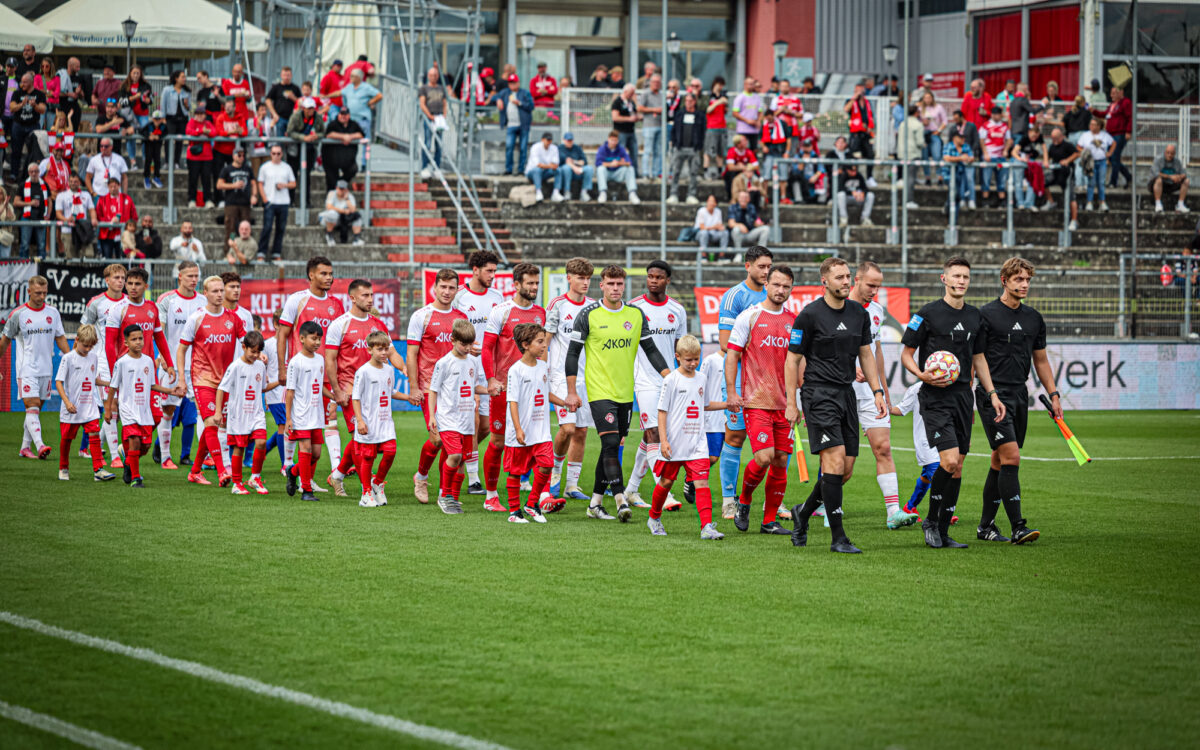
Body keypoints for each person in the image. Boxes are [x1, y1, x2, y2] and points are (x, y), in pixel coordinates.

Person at [900, 256, 1007, 549]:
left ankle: (944, 531)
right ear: (943, 279)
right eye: (956, 276)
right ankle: (931, 522)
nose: (961, 281)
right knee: (947, 461)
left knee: (957, 467)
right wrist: (922, 374)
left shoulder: (976, 317)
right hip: (934, 398)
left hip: (963, 397)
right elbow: (906, 353)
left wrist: (992, 394)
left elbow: (979, 358)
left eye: (966, 277)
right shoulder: (927, 314)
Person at [784, 258, 887, 553]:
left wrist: (877, 390)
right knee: (834, 460)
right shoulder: (809, 315)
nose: (846, 281)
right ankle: (838, 538)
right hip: (818, 395)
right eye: (840, 277)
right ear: (825, 282)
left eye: (848, 276)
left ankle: (802, 513)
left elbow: (866, 354)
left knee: (845, 470)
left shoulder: (859, 313)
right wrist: (792, 402)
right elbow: (792, 360)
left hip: (847, 394)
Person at [564, 264, 671, 521]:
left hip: (626, 393)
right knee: (611, 443)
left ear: (625, 285)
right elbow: (572, 354)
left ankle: (595, 504)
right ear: (601, 285)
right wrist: (571, 391)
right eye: (610, 283)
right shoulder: (588, 315)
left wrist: (670, 376)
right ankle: (621, 499)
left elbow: (651, 350)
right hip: (599, 391)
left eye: (619, 284)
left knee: (610, 445)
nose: (615, 288)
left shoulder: (635, 315)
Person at [975, 257, 1061, 544]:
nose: (1024, 285)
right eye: (1018, 280)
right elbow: (976, 359)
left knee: (1000, 460)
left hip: (1019, 394)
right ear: (1004, 281)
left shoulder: (1034, 318)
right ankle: (1018, 527)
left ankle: (985, 527)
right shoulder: (985, 315)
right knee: (1011, 456)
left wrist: (1054, 394)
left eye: (1027, 280)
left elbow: (1042, 361)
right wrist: (988, 394)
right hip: (992, 395)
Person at [724, 263, 799, 536]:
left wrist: (796, 400)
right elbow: (732, 355)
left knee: (780, 460)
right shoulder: (750, 316)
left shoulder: (793, 320)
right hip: (756, 401)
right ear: (765, 284)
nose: (780, 290)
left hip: (784, 404)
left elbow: (797, 361)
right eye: (776, 284)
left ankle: (769, 521)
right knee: (764, 457)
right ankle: (743, 501)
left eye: (786, 286)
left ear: (791, 289)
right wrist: (732, 392)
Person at [321, 279, 408, 498]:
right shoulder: (339, 325)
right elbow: (330, 360)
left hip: (375, 391)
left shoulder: (377, 324)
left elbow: (392, 353)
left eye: (371, 295)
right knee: (363, 439)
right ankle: (367, 488)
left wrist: (403, 367)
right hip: (351, 390)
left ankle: (338, 475)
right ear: (352, 297)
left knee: (363, 441)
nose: (370, 299)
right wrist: (337, 391)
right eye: (365, 295)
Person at [848, 262, 918, 529]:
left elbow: (875, 353)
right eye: (870, 285)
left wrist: (883, 392)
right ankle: (822, 505)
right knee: (842, 462)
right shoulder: (834, 307)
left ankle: (893, 512)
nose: (875, 291)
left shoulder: (876, 312)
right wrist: (847, 368)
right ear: (856, 280)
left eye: (878, 286)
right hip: (839, 389)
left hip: (869, 392)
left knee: (884, 448)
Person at [622, 261, 688, 508]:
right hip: (643, 379)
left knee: (654, 435)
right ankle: (664, 492)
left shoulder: (677, 310)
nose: (653, 281)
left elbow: (679, 347)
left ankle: (631, 490)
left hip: (668, 378)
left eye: (658, 277)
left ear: (667, 280)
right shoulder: (634, 308)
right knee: (654, 433)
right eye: (650, 276)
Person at [480, 264, 545, 508]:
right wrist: (490, 379)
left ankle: (538, 496)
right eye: (529, 283)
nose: (534, 287)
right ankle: (490, 496)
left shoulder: (540, 313)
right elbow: (487, 348)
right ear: (516, 285)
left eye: (536, 283)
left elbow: (543, 350)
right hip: (504, 388)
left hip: (532, 390)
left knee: (535, 441)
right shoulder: (502, 311)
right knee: (497, 443)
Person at [715, 246, 773, 518]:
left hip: (769, 382)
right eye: (761, 266)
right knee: (735, 436)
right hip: (741, 379)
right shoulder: (734, 296)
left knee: (772, 445)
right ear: (747, 266)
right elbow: (726, 344)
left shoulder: (774, 292)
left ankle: (773, 501)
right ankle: (729, 499)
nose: (766, 272)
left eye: (768, 267)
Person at [405, 268, 469, 503]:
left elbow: (466, 352)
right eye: (443, 287)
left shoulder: (461, 317)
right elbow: (411, 354)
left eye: (451, 287)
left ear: (456, 290)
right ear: (434, 287)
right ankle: (421, 476)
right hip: (430, 387)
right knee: (437, 439)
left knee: (452, 442)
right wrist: (414, 387)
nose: (447, 291)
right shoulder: (421, 316)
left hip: (456, 390)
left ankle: (445, 492)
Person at [175, 275, 244, 485]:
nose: (219, 294)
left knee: (214, 424)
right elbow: (181, 349)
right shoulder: (196, 319)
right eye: (214, 291)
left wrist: (259, 353)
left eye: (221, 290)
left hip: (225, 382)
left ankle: (195, 471)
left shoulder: (233, 318)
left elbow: (247, 342)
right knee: (212, 423)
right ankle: (223, 471)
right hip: (202, 379)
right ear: (205, 293)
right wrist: (181, 378)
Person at [452, 251, 504, 496]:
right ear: (474, 270)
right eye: (488, 271)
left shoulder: (497, 297)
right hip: (465, 366)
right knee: (471, 421)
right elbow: (449, 328)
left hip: (489, 368)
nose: (493, 276)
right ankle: (473, 478)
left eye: (495, 271)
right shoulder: (459, 297)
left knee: (485, 427)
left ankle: (460, 458)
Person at [0, 275, 68, 459]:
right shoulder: (18, 314)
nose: (42, 296)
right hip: (26, 367)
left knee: (36, 409)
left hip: (46, 368)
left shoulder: (53, 313)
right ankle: (40, 446)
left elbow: (60, 337)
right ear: (29, 291)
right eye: (38, 293)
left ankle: (24, 447)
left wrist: (70, 358)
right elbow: (5, 340)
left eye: (45, 293)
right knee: (32, 405)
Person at [500, 323, 563, 524]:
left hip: (541, 430)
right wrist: (518, 428)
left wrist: (564, 403)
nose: (545, 345)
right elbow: (513, 401)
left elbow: (545, 393)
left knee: (547, 464)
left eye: (544, 341)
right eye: (540, 342)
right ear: (526, 344)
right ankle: (514, 511)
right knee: (516, 472)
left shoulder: (543, 367)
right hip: (522, 431)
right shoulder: (516, 370)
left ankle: (532, 503)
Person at [544, 258, 595, 502]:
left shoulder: (595, 307)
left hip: (588, 378)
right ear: (568, 278)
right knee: (568, 428)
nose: (585, 282)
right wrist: (541, 371)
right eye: (580, 277)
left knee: (582, 432)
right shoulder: (557, 305)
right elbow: (545, 340)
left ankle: (571, 486)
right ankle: (554, 475)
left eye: (588, 278)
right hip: (560, 377)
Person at [105, 326, 181, 488]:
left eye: (140, 338)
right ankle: (136, 478)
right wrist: (108, 408)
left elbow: (152, 385)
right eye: (134, 339)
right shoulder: (122, 363)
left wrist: (170, 391)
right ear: (126, 342)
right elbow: (113, 386)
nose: (138, 342)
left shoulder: (148, 361)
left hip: (144, 410)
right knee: (134, 441)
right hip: (128, 410)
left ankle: (128, 462)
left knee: (144, 446)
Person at [427, 319, 488, 512]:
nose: (468, 348)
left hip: (467, 419)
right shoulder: (444, 363)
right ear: (453, 339)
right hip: (448, 418)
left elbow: (473, 387)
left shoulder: (472, 361)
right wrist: (432, 416)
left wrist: (489, 391)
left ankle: (453, 497)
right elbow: (433, 390)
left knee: (462, 460)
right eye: (464, 344)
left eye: (471, 344)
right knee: (454, 455)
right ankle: (444, 496)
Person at [154, 261, 204, 469]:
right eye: (190, 276)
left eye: (196, 276)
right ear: (179, 276)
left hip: (198, 367)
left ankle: (206, 457)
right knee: (168, 409)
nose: (194, 280)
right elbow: (160, 332)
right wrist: (164, 359)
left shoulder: (203, 301)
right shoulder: (167, 300)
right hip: (172, 365)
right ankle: (165, 456)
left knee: (204, 411)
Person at [214, 330, 272, 496]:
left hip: (256, 413)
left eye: (258, 352)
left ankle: (255, 477)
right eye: (252, 351)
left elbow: (262, 388)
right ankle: (237, 483)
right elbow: (221, 389)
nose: (255, 355)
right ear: (243, 347)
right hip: (238, 414)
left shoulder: (260, 365)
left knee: (261, 442)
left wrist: (275, 387)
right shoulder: (235, 367)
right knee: (239, 448)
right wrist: (218, 412)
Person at [55, 325, 116, 481]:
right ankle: (63, 468)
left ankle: (98, 470)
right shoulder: (67, 358)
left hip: (89, 405)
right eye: (85, 345)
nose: (88, 349)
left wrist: (108, 383)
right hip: (72, 407)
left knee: (94, 434)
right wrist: (67, 402)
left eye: (91, 346)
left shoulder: (93, 357)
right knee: (67, 439)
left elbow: (92, 378)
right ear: (77, 340)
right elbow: (58, 382)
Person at [348, 330, 401, 507]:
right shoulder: (363, 372)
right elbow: (355, 397)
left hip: (385, 422)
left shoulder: (389, 369)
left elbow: (391, 391)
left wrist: (408, 397)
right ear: (370, 350)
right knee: (368, 458)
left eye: (386, 349)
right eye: (380, 349)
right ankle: (365, 494)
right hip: (368, 422)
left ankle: (377, 483)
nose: (384, 353)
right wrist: (360, 420)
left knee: (391, 451)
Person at [80, 264, 125, 464]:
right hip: (104, 361)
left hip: (126, 359)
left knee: (123, 407)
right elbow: (85, 330)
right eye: (116, 277)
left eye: (123, 277)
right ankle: (115, 455)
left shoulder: (129, 303)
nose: (121, 281)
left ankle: (94, 443)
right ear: (107, 280)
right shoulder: (96, 303)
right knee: (111, 404)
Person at [284, 320, 328, 502]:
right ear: (302, 338)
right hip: (300, 414)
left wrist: (334, 397)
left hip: (316, 414)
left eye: (319, 339)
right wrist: (288, 418)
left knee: (316, 453)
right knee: (306, 449)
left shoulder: (320, 360)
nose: (317, 343)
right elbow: (290, 391)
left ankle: (292, 471)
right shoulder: (296, 362)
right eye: (313, 338)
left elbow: (319, 386)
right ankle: (307, 490)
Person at [257, 144, 296, 261]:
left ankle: (276, 253)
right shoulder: (265, 167)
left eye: (278, 153)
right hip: (270, 202)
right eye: (274, 153)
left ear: (282, 154)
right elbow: (260, 183)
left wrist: (283, 185)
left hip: (283, 202)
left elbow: (293, 183)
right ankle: (261, 252)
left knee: (280, 228)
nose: (276, 156)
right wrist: (264, 199)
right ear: (270, 154)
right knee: (267, 227)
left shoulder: (287, 167)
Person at [668, 92, 705, 204]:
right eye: (687, 101)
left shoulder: (700, 116)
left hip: (693, 148)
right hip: (680, 147)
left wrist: (699, 145)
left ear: (694, 102)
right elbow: (674, 130)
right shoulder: (679, 114)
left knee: (693, 173)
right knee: (676, 172)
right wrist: (674, 143)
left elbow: (703, 132)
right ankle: (673, 194)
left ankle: (691, 194)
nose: (688, 103)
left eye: (691, 101)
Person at [285, 97, 323, 207]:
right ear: (303, 108)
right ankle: (290, 200)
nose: (310, 111)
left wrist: (316, 136)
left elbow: (323, 132)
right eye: (308, 108)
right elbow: (290, 132)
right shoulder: (296, 117)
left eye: (312, 108)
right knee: (292, 175)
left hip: (309, 150)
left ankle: (306, 201)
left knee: (306, 176)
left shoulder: (317, 117)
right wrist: (303, 137)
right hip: (295, 149)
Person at [9, 73, 46, 182]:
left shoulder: (39, 94)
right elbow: (12, 108)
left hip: (33, 126)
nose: (22, 84)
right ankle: (13, 174)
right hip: (18, 125)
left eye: (25, 82)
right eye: (21, 82)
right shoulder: (17, 93)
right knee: (16, 150)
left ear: (31, 82)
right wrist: (21, 104)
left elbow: (43, 109)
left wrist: (34, 105)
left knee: (33, 153)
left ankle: (28, 176)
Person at [495, 74, 533, 176]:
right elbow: (495, 96)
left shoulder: (524, 93)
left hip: (523, 125)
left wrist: (519, 103)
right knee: (509, 146)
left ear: (518, 83)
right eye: (510, 83)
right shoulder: (505, 92)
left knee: (523, 148)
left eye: (514, 83)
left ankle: (521, 170)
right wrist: (498, 100)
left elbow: (531, 106)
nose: (512, 85)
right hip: (511, 125)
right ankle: (509, 169)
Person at [1043, 127, 1080, 231]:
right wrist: (1046, 161)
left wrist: (1067, 160)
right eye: (1052, 138)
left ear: (1061, 137)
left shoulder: (1067, 145)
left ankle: (1074, 220)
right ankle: (1050, 202)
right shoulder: (1052, 146)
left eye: (1056, 138)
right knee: (1043, 181)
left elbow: (1077, 153)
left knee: (1071, 197)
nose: (1054, 140)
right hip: (1056, 172)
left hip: (1067, 174)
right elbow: (1048, 156)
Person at [216, 146, 257, 239]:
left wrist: (254, 195)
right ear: (234, 156)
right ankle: (229, 251)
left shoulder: (247, 169)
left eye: (243, 155)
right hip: (231, 203)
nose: (242, 157)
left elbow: (254, 183)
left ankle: (245, 251)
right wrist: (233, 185)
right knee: (231, 229)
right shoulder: (227, 169)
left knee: (246, 228)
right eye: (239, 155)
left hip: (245, 203)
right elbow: (219, 185)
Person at [1097, 86, 1132, 189]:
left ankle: (1113, 182)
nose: (1111, 95)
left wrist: (1128, 131)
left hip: (1119, 134)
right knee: (1112, 158)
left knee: (1115, 157)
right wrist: (1093, 111)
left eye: (1114, 93)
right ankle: (1128, 176)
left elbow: (1130, 117)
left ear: (1120, 93)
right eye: (1111, 93)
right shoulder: (1112, 105)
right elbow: (1105, 114)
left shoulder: (1125, 102)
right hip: (1110, 134)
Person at [117, 66, 153, 167]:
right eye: (134, 73)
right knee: (130, 136)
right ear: (130, 74)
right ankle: (133, 161)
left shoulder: (146, 85)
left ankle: (146, 160)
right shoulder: (124, 86)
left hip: (143, 114)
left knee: (145, 136)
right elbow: (121, 102)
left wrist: (148, 100)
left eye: (138, 73)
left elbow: (152, 99)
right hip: (129, 115)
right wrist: (133, 97)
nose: (136, 75)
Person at [1077, 117, 1115, 212]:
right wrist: (1085, 152)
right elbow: (1078, 146)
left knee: (1101, 183)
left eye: (1094, 124)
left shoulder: (1105, 135)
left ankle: (1102, 202)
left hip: (1101, 161)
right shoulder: (1085, 135)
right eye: (1091, 124)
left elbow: (1114, 143)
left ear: (1099, 126)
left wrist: (1109, 153)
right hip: (1091, 162)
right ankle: (1089, 202)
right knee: (1091, 182)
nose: (1091, 126)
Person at [322, 107, 366, 189]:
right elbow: (329, 134)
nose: (343, 116)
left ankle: (340, 184)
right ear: (338, 115)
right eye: (341, 114)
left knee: (353, 170)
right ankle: (331, 198)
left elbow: (361, 134)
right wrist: (343, 137)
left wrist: (350, 137)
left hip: (348, 162)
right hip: (331, 161)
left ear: (349, 115)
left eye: (345, 114)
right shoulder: (333, 124)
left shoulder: (353, 124)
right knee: (331, 183)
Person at [843, 81, 876, 184]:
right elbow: (846, 109)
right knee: (853, 155)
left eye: (861, 90)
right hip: (855, 133)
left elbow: (870, 116)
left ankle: (869, 177)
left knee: (870, 154)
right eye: (857, 90)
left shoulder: (867, 102)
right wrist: (854, 97)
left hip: (866, 133)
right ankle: (853, 175)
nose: (859, 92)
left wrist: (871, 127)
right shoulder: (851, 101)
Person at [212, 99, 246, 200]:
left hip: (234, 152)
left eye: (230, 106)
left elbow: (244, 132)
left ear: (235, 108)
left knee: (234, 175)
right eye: (226, 106)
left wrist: (238, 131)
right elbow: (219, 132)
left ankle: (232, 198)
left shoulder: (240, 117)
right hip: (220, 150)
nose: (227, 108)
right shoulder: (221, 117)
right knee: (218, 175)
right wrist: (234, 131)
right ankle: (218, 199)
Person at [94, 177, 136, 259]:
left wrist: (128, 226)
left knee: (123, 261)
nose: (113, 188)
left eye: (115, 186)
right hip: (106, 235)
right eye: (111, 186)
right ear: (108, 187)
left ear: (119, 186)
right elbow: (98, 216)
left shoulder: (127, 199)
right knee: (107, 260)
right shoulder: (102, 200)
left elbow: (134, 216)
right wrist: (110, 221)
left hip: (123, 235)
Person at [979, 105, 1012, 208]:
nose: (997, 116)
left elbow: (1009, 140)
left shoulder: (1004, 127)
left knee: (1001, 179)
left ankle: (1002, 200)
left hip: (1000, 157)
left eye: (999, 114)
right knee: (986, 179)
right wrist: (985, 153)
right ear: (992, 115)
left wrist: (1006, 150)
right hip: (989, 156)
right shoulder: (986, 125)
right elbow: (981, 140)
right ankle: (985, 200)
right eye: (995, 114)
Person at [14, 162, 48, 259]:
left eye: (36, 171)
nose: (34, 173)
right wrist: (30, 203)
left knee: (41, 245)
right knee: (24, 244)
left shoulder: (44, 184)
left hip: (41, 217)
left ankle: (42, 267)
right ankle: (22, 266)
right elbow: (16, 202)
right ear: (28, 173)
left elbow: (49, 200)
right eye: (32, 171)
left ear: (39, 172)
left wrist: (48, 214)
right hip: (27, 217)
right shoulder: (23, 185)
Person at [595, 130, 640, 203]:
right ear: (608, 139)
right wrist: (610, 164)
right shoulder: (602, 149)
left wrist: (618, 163)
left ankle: (632, 193)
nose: (613, 142)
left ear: (618, 141)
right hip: (607, 173)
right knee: (600, 169)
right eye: (612, 140)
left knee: (630, 169)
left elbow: (629, 163)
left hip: (618, 173)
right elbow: (598, 163)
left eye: (615, 140)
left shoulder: (621, 149)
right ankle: (603, 193)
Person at [418, 67, 447, 178]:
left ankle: (437, 167)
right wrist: (430, 116)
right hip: (429, 118)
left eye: (435, 75)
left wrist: (444, 115)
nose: (433, 77)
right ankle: (425, 167)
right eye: (431, 75)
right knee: (428, 143)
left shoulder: (441, 88)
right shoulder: (424, 88)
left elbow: (444, 103)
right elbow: (422, 103)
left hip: (439, 118)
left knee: (439, 144)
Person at [340, 68, 381, 147]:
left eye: (352, 76)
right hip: (351, 120)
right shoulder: (349, 87)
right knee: (349, 142)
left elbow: (379, 95)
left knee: (365, 142)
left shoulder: (366, 87)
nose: (350, 78)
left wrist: (370, 102)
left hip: (363, 120)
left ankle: (365, 159)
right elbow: (343, 97)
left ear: (358, 77)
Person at [314, 180, 363, 245]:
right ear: (336, 188)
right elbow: (329, 207)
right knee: (333, 214)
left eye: (343, 189)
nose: (341, 191)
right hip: (329, 219)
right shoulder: (332, 193)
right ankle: (329, 235)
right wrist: (343, 211)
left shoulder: (349, 196)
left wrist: (347, 199)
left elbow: (353, 210)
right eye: (340, 189)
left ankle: (357, 239)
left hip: (343, 220)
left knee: (357, 217)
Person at [184, 108, 216, 208]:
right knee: (193, 179)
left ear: (205, 115)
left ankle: (208, 200)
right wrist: (201, 131)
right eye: (198, 113)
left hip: (207, 156)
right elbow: (188, 131)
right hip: (193, 157)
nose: (200, 116)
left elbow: (214, 132)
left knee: (206, 179)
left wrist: (207, 132)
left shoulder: (208, 123)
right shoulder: (191, 122)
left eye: (202, 114)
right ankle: (192, 200)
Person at [1149, 144, 1190, 213]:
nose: (1169, 155)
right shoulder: (1158, 159)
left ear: (1174, 154)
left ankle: (1180, 204)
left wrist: (1179, 177)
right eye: (1168, 153)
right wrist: (1170, 176)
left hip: (1171, 185)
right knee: (1158, 179)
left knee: (1186, 181)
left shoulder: (1177, 162)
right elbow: (1156, 173)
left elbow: (1184, 174)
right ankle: (1158, 204)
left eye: (1172, 153)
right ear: (1165, 152)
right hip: (1156, 185)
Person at [637, 74, 665, 177]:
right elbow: (639, 108)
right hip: (649, 126)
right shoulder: (646, 94)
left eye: (658, 82)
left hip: (660, 125)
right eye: (654, 82)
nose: (656, 84)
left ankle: (655, 173)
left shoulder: (662, 95)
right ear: (651, 82)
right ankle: (645, 173)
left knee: (658, 151)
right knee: (647, 150)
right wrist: (654, 110)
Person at [703, 76, 730, 180]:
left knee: (720, 151)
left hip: (722, 126)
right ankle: (706, 171)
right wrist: (718, 101)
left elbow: (726, 110)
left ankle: (720, 172)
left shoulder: (723, 96)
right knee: (709, 150)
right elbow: (708, 110)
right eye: (719, 84)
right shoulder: (709, 97)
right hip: (712, 127)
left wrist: (724, 102)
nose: (720, 87)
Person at [555, 131, 593, 201]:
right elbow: (566, 161)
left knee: (589, 169)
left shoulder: (577, 148)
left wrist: (576, 163)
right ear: (564, 140)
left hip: (578, 171)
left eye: (571, 140)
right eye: (568, 140)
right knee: (566, 168)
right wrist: (575, 167)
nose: (569, 142)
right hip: (567, 173)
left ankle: (584, 192)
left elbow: (584, 161)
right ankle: (567, 192)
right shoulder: (560, 148)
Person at [611, 84, 640, 175]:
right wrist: (628, 119)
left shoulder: (631, 102)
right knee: (621, 152)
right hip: (621, 132)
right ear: (625, 92)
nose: (632, 95)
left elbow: (637, 111)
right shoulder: (617, 102)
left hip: (631, 131)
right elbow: (615, 117)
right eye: (631, 93)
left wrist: (636, 102)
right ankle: (620, 171)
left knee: (634, 153)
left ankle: (635, 172)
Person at [722, 134, 760, 203]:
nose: (746, 142)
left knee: (755, 175)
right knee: (731, 175)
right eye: (744, 141)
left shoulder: (749, 152)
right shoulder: (732, 151)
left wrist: (744, 167)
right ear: (738, 143)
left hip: (746, 172)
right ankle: (732, 197)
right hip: (735, 174)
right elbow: (730, 167)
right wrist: (740, 167)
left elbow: (756, 166)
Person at [56, 57, 90, 132]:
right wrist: (69, 94)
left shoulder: (79, 78)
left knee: (74, 130)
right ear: (70, 66)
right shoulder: (61, 76)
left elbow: (82, 96)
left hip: (74, 108)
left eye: (79, 67)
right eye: (77, 66)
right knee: (61, 130)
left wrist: (80, 92)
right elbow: (56, 93)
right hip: (62, 106)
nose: (78, 69)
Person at [525, 131, 560, 202]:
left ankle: (556, 193)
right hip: (532, 172)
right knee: (537, 170)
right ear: (542, 140)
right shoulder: (535, 147)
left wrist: (545, 166)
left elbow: (555, 165)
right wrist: (549, 166)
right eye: (547, 140)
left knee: (558, 170)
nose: (549, 142)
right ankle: (538, 192)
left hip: (545, 172)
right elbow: (538, 165)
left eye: (550, 140)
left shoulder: (554, 148)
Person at [265, 67, 301, 136]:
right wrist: (274, 114)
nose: (286, 77)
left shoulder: (295, 88)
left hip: (292, 118)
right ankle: (279, 146)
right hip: (280, 118)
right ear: (281, 76)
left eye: (288, 75)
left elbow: (301, 102)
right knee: (280, 137)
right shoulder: (276, 87)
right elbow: (268, 100)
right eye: (284, 75)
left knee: (293, 137)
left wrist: (293, 98)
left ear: (291, 76)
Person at [837, 163, 875, 227]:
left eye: (855, 171)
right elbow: (840, 189)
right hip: (847, 198)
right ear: (847, 170)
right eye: (851, 171)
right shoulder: (843, 176)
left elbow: (866, 189)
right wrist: (851, 192)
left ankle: (865, 218)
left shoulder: (859, 175)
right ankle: (843, 218)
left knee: (871, 195)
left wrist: (863, 193)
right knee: (840, 195)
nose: (853, 173)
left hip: (858, 199)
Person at [732, 77, 764, 152]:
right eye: (750, 84)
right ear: (745, 85)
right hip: (743, 129)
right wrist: (747, 121)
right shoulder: (740, 97)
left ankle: (753, 163)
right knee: (742, 149)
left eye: (753, 84)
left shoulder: (757, 97)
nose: (752, 86)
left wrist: (758, 121)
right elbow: (735, 113)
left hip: (754, 129)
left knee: (754, 150)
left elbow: (760, 111)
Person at [141, 110, 167, 189]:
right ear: (152, 119)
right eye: (156, 119)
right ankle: (146, 178)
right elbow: (141, 131)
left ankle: (156, 177)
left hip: (157, 147)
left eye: (159, 119)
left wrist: (158, 137)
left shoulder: (163, 126)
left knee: (157, 161)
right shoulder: (149, 125)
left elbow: (166, 132)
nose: (157, 121)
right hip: (149, 146)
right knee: (148, 161)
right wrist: (148, 136)